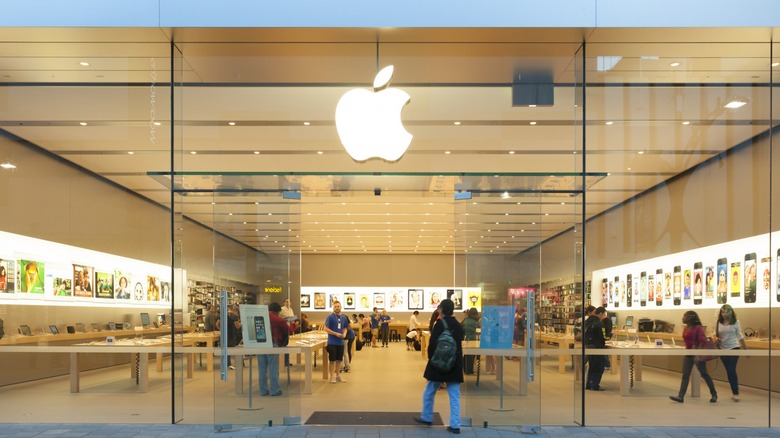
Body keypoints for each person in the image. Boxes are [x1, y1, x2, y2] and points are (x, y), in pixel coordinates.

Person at [414, 299, 463, 434]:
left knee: (429, 390)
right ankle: (455, 425)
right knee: (454, 396)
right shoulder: (458, 325)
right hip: (454, 364)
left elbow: (433, 344)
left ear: (441, 309)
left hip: (439, 364)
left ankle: (427, 417)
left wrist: (431, 360)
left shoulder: (440, 324)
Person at [669, 310, 718, 403]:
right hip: (688, 354)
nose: (683, 318)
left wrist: (697, 354)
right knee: (685, 375)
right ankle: (681, 396)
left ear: (691, 318)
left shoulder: (698, 328)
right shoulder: (686, 327)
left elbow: (702, 341)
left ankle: (714, 394)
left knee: (704, 374)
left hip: (697, 354)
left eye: (685, 316)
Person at [714, 304, 747, 401]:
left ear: (731, 312)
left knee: (732, 369)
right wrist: (716, 340)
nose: (724, 314)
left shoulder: (736, 322)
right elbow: (716, 334)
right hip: (722, 349)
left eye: (726, 312)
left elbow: (740, 336)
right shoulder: (718, 322)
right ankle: (734, 392)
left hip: (734, 348)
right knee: (729, 371)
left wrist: (745, 348)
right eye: (723, 312)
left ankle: (736, 393)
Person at [257, 302, 288, 396]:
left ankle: (263, 390)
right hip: (273, 344)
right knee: (273, 368)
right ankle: (275, 390)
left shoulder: (261, 317)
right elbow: (288, 330)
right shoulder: (278, 320)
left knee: (262, 369)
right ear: (278, 311)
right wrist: (294, 325)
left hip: (260, 344)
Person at [581, 305, 606, 391]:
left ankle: (589, 383)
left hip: (588, 345)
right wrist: (609, 336)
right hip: (597, 346)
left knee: (591, 365)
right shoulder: (599, 322)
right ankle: (595, 384)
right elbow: (604, 335)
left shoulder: (586, 321)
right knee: (599, 366)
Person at [323, 300, 349, 383]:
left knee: (339, 360)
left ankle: (338, 376)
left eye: (338, 306)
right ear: (333, 307)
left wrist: (344, 334)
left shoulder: (344, 317)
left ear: (341, 307)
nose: (337, 308)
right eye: (335, 307)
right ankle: (332, 376)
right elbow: (325, 328)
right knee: (332, 360)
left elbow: (345, 327)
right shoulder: (330, 317)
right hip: (332, 342)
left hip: (340, 342)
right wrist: (335, 334)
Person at [461, 307, 479, 374]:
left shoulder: (465, 320)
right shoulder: (475, 322)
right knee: (471, 356)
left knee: (466, 355)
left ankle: (465, 369)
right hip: (473, 339)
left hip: (465, 339)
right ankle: (470, 370)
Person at [226, 305, 242, 369]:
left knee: (227, 349)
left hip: (226, 334)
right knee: (236, 348)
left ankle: (227, 364)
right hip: (233, 334)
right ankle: (239, 363)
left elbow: (217, 324)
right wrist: (241, 324)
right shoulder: (234, 316)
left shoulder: (224, 315)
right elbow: (237, 326)